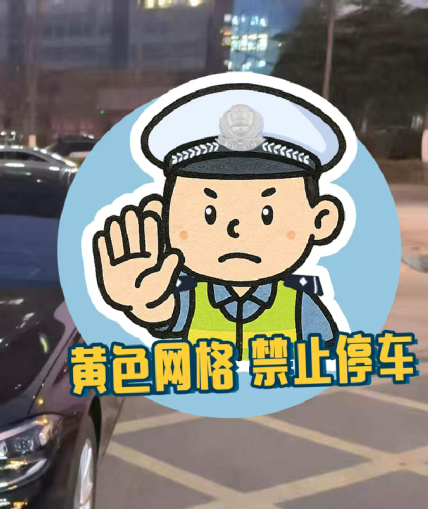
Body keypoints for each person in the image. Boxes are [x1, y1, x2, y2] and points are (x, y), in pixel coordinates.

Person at [93, 83, 349, 360]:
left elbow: (329, 360)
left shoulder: (300, 305)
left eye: (267, 213)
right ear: (164, 217)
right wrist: (140, 302)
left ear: (321, 220)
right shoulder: (189, 299)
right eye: (209, 213)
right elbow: (161, 313)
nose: (236, 230)